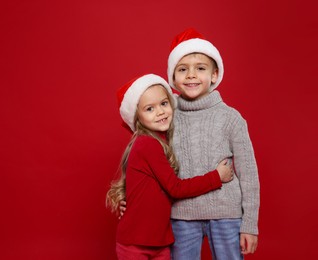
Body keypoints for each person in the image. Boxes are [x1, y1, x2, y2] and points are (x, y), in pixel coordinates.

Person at [106, 74, 234, 260]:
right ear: (138, 118)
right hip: (135, 243)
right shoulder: (147, 144)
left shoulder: (162, 141)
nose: (160, 112)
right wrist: (216, 176)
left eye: (164, 104)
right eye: (150, 108)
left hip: (159, 242)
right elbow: (175, 188)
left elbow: (158, 193)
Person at [166, 28, 260, 259]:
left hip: (226, 213)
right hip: (181, 215)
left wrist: (249, 223)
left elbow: (249, 173)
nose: (191, 75)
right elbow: (148, 162)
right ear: (173, 77)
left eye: (200, 68)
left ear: (215, 75)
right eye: (182, 69)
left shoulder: (231, 117)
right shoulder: (166, 118)